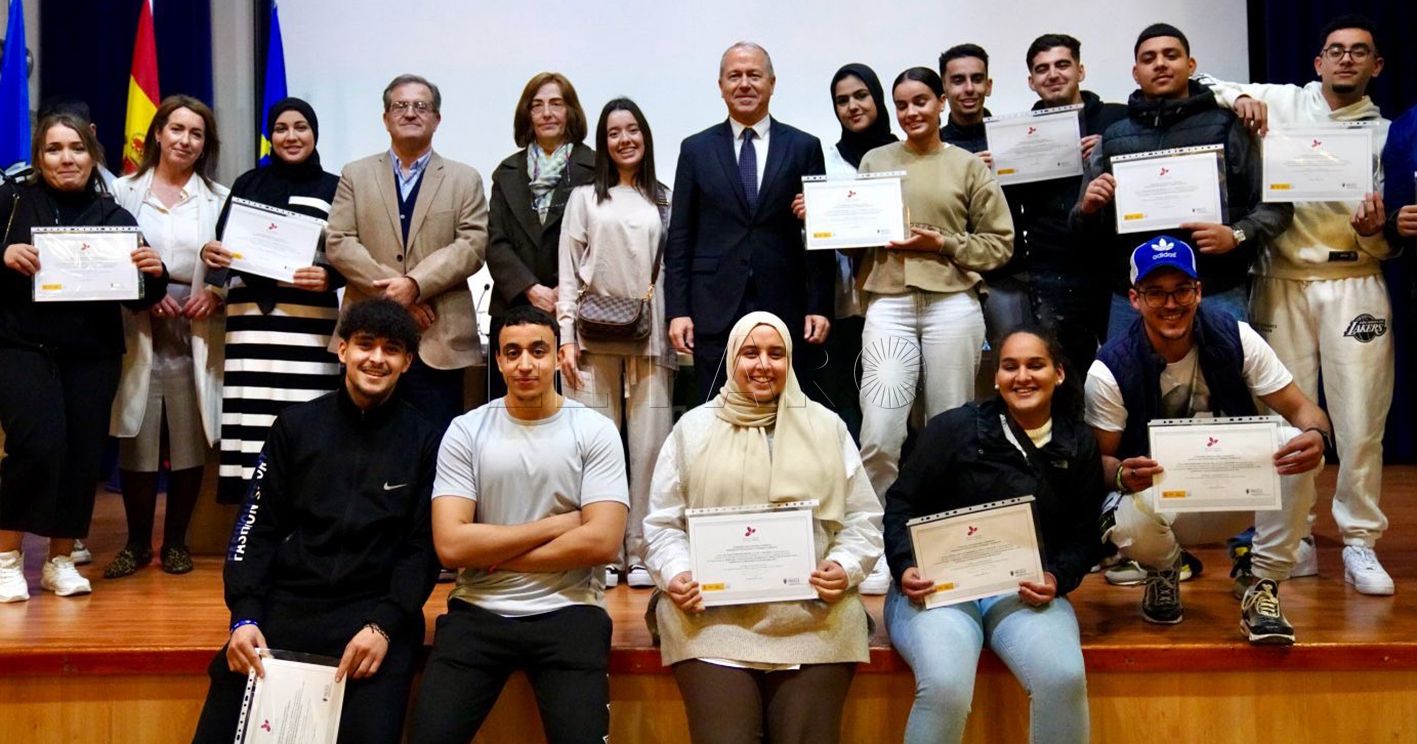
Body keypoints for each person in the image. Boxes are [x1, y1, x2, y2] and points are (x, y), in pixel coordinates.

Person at [190, 299, 442, 744]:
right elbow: (255, 529)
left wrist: (384, 625)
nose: (376, 358)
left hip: (375, 615)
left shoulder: (425, 440)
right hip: (290, 605)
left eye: (391, 349)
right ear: (342, 349)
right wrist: (244, 617)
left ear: (407, 362)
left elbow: (422, 550)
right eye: (365, 345)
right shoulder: (296, 427)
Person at [1203, 15, 1395, 594]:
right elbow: (1202, 80)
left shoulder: (1387, 135)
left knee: (1360, 420)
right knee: (1282, 419)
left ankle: (1360, 541)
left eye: (1358, 52)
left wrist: (1375, 231)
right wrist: (1239, 98)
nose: (1345, 59)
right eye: (1335, 50)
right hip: (1280, 279)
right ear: (1318, 62)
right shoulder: (1284, 102)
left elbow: (1392, 236)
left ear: (1376, 66)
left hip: (1354, 281)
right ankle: (1295, 537)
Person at [643, 311, 883, 744]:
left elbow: (863, 518)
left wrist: (844, 566)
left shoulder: (828, 427)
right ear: (732, 357)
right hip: (712, 620)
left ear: (789, 361)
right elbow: (663, 524)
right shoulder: (693, 429)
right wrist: (677, 573)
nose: (763, 365)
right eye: (751, 353)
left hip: (815, 616)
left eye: (776, 354)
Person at [1087, 235, 1329, 645]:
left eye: (1182, 290)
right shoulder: (1110, 368)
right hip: (1161, 500)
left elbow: (1304, 409)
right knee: (1122, 516)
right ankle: (1164, 569)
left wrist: (1317, 435)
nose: (1171, 304)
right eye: (1156, 293)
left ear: (1198, 291)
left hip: (1230, 491)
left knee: (1294, 443)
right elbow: (1099, 464)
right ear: (1135, 299)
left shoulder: (1237, 337)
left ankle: (1263, 587)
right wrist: (1124, 473)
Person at [409, 305, 629, 744]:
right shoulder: (466, 431)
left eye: (538, 351)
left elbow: (603, 542)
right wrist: (557, 526)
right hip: (478, 610)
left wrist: (493, 555)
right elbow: (451, 546)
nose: (525, 364)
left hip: (571, 611)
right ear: (498, 360)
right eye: (512, 352)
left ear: (558, 357)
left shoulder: (595, 430)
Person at [884, 325, 1101, 744]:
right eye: (1010, 366)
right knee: (945, 685)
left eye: (1035, 365)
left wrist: (1056, 577)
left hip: (1022, 589)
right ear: (997, 377)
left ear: (1058, 373)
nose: (1022, 377)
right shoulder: (953, 429)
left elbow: (1085, 534)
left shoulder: (1079, 443)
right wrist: (905, 565)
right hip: (939, 587)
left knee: (1063, 677)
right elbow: (901, 504)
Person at [0, 113, 167, 602]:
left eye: (76, 148)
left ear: (93, 156)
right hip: (21, 348)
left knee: (81, 454)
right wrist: (2, 257)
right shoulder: (11, 202)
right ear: (38, 157)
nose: (66, 158)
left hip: (93, 356)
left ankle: (59, 560)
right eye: (54, 149)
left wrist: (154, 274)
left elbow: (140, 299)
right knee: (36, 446)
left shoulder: (114, 217)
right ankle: (6, 559)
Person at [850, 67, 1014, 502]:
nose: (911, 112)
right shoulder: (875, 162)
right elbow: (855, 237)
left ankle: (946, 524)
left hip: (953, 304)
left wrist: (942, 243)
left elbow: (1000, 245)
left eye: (920, 101)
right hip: (889, 303)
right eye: (901, 105)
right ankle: (877, 532)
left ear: (941, 102)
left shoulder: (967, 165)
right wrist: (827, 220)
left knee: (949, 427)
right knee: (880, 431)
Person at [1070, 23, 1293, 338]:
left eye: (1170, 55)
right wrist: (1088, 209)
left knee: (1226, 370)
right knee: (1123, 372)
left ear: (1190, 66)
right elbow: (1080, 229)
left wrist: (1236, 235)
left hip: (1216, 289)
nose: (1160, 64)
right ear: (1136, 73)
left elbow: (1277, 206)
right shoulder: (1113, 138)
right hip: (1134, 297)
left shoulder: (1230, 127)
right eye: (1149, 58)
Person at [666, 41, 833, 403]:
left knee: (784, 408)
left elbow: (819, 235)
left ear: (772, 83)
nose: (744, 84)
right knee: (715, 409)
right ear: (721, 85)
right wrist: (678, 311)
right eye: (734, 76)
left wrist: (819, 304)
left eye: (754, 75)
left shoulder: (804, 146)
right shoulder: (695, 149)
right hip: (713, 304)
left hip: (785, 302)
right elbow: (680, 236)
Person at [199, 97, 343, 504]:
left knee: (308, 421)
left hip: (308, 325)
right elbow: (221, 247)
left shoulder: (335, 187)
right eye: (281, 128)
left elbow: (350, 253)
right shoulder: (248, 183)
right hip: (251, 326)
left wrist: (332, 277)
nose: (291, 136)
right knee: (253, 420)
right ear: (270, 136)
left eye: (301, 127)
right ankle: (254, 526)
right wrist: (211, 253)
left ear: (315, 134)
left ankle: (308, 522)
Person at [326, 73, 489, 431]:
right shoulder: (355, 174)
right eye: (400, 106)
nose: (411, 113)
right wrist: (396, 295)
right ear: (386, 118)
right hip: (367, 335)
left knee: (435, 444)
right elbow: (338, 241)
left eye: (421, 106)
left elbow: (473, 244)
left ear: (437, 118)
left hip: (439, 341)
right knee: (363, 440)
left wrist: (415, 284)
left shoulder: (465, 179)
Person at [108, 95, 229, 578]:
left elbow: (234, 263)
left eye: (196, 134)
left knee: (188, 438)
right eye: (176, 129)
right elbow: (105, 254)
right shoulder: (120, 192)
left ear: (205, 145)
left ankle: (176, 542)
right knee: (136, 436)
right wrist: (143, 295)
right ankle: (137, 543)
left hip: (194, 325)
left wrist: (216, 295)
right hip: (135, 322)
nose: (185, 140)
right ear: (157, 134)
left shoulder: (219, 198)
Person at [555, 98, 673, 590]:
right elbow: (567, 272)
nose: (625, 139)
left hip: (652, 334)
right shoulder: (584, 198)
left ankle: (642, 551)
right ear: (603, 144)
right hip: (592, 335)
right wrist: (565, 335)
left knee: (651, 449)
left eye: (632, 130)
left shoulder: (665, 198)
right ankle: (602, 548)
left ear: (645, 135)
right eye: (614, 132)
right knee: (595, 448)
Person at [819, 62, 898, 595]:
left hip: (891, 301)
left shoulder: (900, 151)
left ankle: (898, 528)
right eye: (842, 100)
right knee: (851, 418)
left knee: (893, 423)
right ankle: (854, 530)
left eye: (861, 95)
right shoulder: (824, 159)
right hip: (842, 305)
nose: (853, 106)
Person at [1013, 33, 1127, 377]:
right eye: (1042, 69)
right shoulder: (1018, 136)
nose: (1053, 74)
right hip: (1053, 270)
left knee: (1122, 369)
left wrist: (1112, 145)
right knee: (1065, 374)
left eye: (1062, 64)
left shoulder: (1118, 121)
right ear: (1031, 81)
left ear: (1081, 70)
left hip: (1114, 268)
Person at [487, 72, 596, 400]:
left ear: (571, 112)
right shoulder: (506, 171)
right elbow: (495, 241)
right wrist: (531, 289)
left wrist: (568, 288)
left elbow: (602, 241)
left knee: (572, 414)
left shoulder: (597, 167)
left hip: (577, 314)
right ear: (527, 114)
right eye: (537, 105)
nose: (547, 113)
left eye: (556, 104)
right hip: (514, 308)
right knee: (511, 414)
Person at [937, 44, 1032, 345]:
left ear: (988, 86)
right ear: (944, 89)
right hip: (950, 277)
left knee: (1014, 355)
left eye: (977, 79)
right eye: (958, 80)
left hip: (1007, 274)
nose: (969, 88)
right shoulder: (932, 146)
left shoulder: (1013, 139)